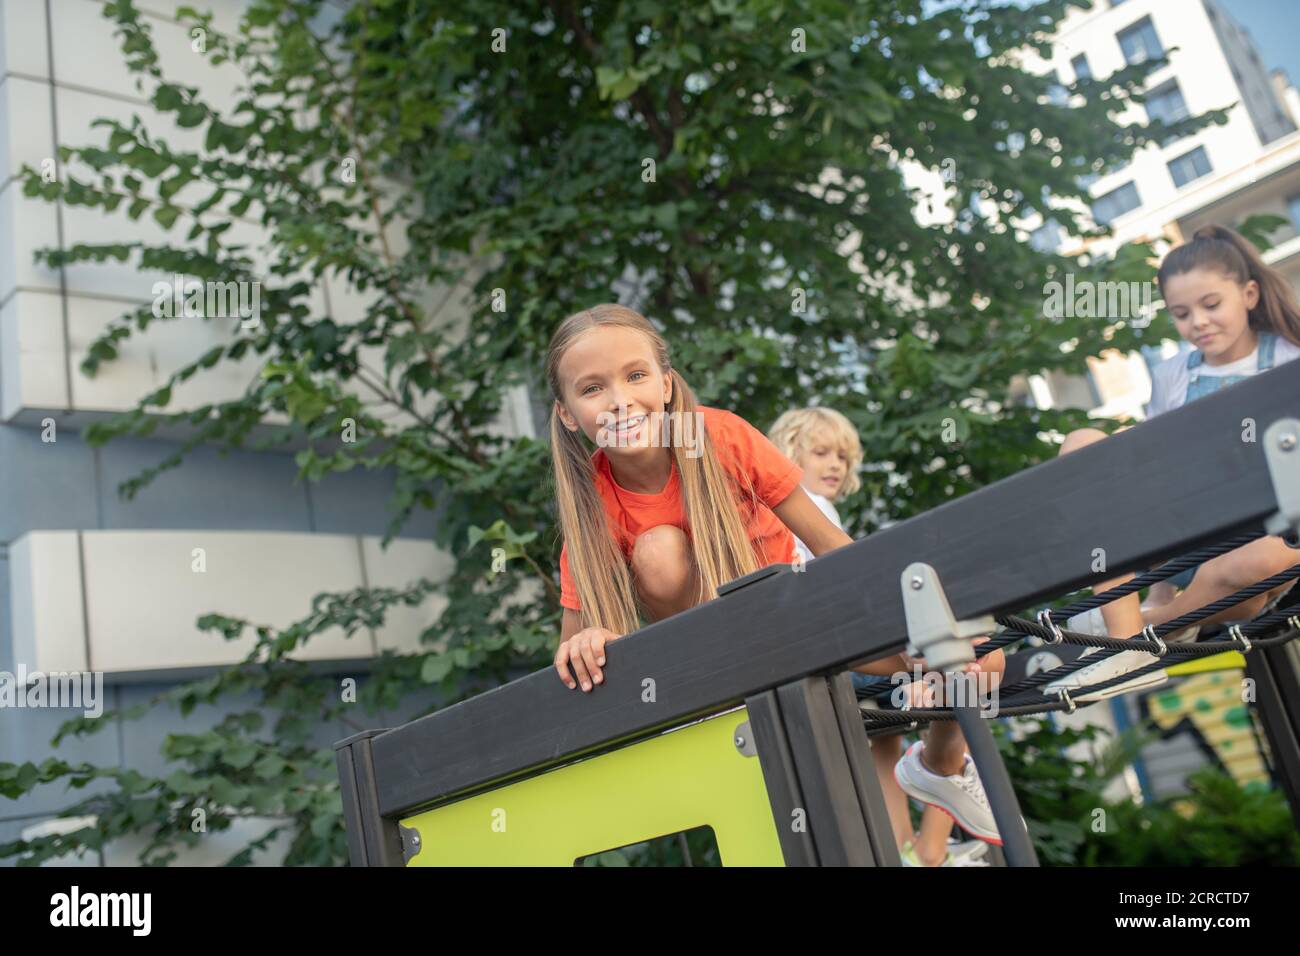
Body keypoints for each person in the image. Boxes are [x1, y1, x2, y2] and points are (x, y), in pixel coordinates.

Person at [1047, 225, 1300, 701]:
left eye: (1211, 305)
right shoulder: (1173, 376)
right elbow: (1163, 472)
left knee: (1253, 563)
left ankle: (1143, 630)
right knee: (1086, 440)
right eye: (1181, 314)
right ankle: (1128, 634)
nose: (1198, 322)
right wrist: (1159, 586)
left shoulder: (1289, 358)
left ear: (1248, 294)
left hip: (1270, 547)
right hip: (1192, 536)